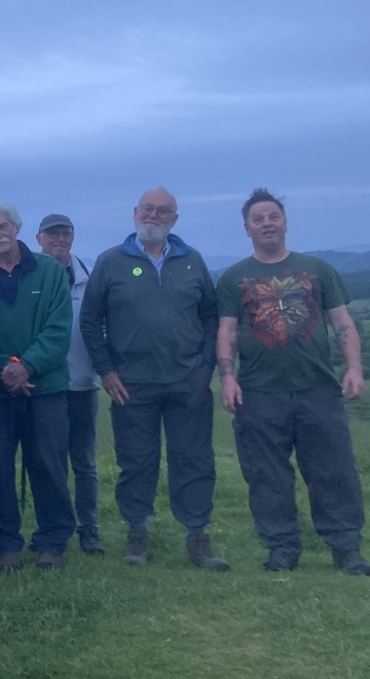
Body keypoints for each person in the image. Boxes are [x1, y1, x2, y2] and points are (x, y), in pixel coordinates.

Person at [217, 188, 369, 574]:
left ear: (285, 222)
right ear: (246, 228)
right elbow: (228, 331)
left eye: (273, 216)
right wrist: (228, 377)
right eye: (258, 219)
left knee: (333, 470)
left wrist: (353, 368)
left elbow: (342, 321)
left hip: (318, 388)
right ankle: (282, 547)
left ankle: (346, 548)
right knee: (266, 475)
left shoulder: (317, 268)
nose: (266, 223)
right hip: (258, 392)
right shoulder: (234, 277)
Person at [80, 187, 227, 571]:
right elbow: (90, 320)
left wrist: (205, 368)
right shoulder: (110, 261)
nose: (155, 215)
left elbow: (211, 317)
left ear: (174, 219)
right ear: (135, 213)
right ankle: (137, 531)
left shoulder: (192, 261)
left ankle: (197, 535)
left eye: (164, 211)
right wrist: (106, 370)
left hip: (188, 381)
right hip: (131, 383)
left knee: (194, 460)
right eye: (148, 209)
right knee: (136, 461)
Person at [0, 199, 76, 571]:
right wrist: (5, 369)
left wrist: (27, 366)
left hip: (45, 389)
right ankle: (5, 546)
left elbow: (59, 329)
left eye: (2, 227)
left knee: (49, 465)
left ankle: (51, 543)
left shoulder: (49, 271)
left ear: (16, 228)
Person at [34, 213, 104, 556]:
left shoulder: (90, 281)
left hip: (81, 383)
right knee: (49, 462)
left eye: (66, 234)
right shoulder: (30, 278)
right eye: (53, 234)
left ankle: (89, 529)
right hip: (44, 386)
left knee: (84, 462)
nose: (59, 240)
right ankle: (52, 528)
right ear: (39, 239)